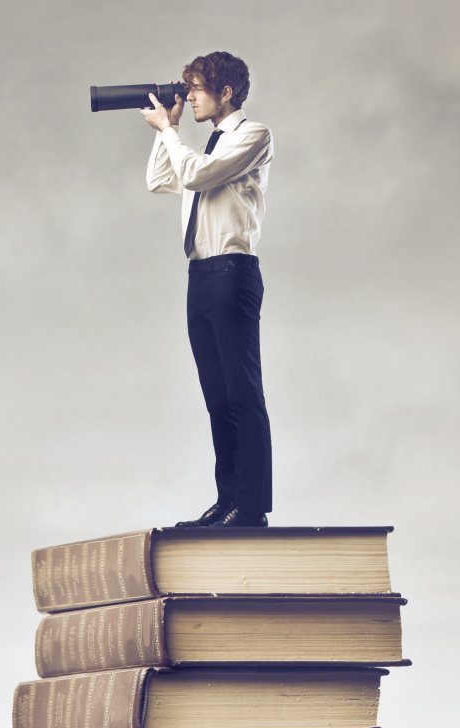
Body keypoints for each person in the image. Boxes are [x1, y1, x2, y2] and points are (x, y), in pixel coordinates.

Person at [142, 51, 274, 528]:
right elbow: (160, 180)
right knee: (217, 396)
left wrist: (170, 133)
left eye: (197, 89)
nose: (190, 97)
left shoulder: (253, 136)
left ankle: (252, 505)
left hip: (233, 272)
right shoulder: (206, 148)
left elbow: (197, 175)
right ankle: (228, 500)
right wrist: (167, 132)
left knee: (243, 392)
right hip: (200, 276)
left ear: (226, 93)